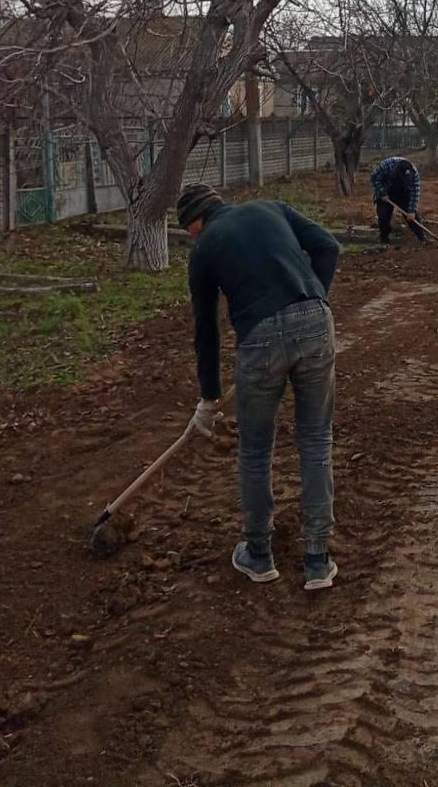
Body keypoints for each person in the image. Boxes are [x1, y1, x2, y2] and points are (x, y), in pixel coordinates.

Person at [178, 182, 341, 592]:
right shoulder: (272, 208)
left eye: (189, 230)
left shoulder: (205, 247)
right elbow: (328, 246)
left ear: (196, 221)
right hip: (315, 323)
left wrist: (209, 397)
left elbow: (207, 329)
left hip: (260, 338)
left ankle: (258, 554)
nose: (192, 237)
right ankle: (317, 560)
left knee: (255, 448)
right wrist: (314, 300)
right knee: (316, 440)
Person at [369, 155, 426, 247]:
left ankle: (422, 237)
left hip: (403, 191)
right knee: (383, 215)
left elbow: (415, 191)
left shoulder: (413, 172)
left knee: (412, 215)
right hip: (386, 190)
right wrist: (382, 193)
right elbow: (374, 178)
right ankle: (384, 239)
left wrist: (412, 210)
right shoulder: (386, 166)